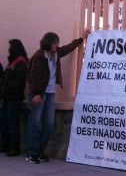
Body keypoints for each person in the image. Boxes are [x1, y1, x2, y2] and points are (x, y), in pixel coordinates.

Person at [26, 30, 89, 164]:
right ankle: (31, 153)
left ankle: (39, 152)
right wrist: (37, 94)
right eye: (55, 43)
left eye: (57, 43)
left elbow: (67, 48)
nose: (57, 45)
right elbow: (33, 76)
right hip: (39, 93)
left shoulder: (55, 54)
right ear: (48, 43)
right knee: (35, 123)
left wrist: (81, 39)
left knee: (49, 124)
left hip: (50, 94)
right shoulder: (39, 56)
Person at [0, 39, 28, 156]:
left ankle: (14, 148)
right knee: (4, 122)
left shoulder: (21, 63)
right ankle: (5, 145)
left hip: (14, 98)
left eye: (11, 47)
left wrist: (6, 90)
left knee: (12, 123)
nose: (9, 50)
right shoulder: (12, 63)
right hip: (7, 98)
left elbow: (19, 82)